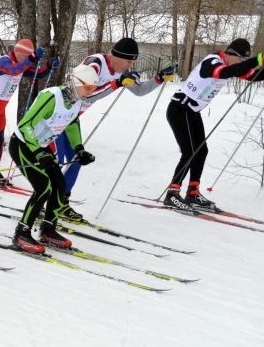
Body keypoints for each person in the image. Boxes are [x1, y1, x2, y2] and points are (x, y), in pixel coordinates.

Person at [56, 37, 177, 221]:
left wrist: (159, 78)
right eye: (129, 61)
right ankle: (48, 200)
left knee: (75, 160)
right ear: (118, 56)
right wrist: (117, 84)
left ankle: (60, 203)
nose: (130, 65)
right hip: (56, 116)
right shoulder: (94, 64)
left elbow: (139, 91)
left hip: (71, 119)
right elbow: (85, 96)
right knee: (58, 162)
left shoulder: (119, 71)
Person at [163, 38, 264, 212]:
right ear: (230, 54)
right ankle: (172, 194)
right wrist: (257, 60)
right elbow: (222, 73)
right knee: (190, 152)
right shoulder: (212, 61)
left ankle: (193, 193)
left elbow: (253, 76)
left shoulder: (230, 66)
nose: (243, 64)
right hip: (179, 110)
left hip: (191, 112)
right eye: (241, 59)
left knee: (202, 151)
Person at [9, 64, 99, 253]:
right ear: (76, 82)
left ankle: (48, 230)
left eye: (93, 89)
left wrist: (79, 149)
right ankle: (21, 233)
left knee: (59, 185)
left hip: (41, 147)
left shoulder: (77, 101)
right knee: (43, 187)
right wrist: (39, 152)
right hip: (23, 144)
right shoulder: (51, 96)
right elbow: (26, 125)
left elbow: (72, 123)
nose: (91, 92)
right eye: (89, 87)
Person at [0, 38, 57, 183]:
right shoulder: (4, 61)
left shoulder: (22, 64)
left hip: (0, 109)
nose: (26, 59)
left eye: (28, 56)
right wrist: (32, 58)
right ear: (17, 51)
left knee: (0, 141)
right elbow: (13, 70)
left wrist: (49, 65)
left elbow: (38, 74)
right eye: (25, 56)